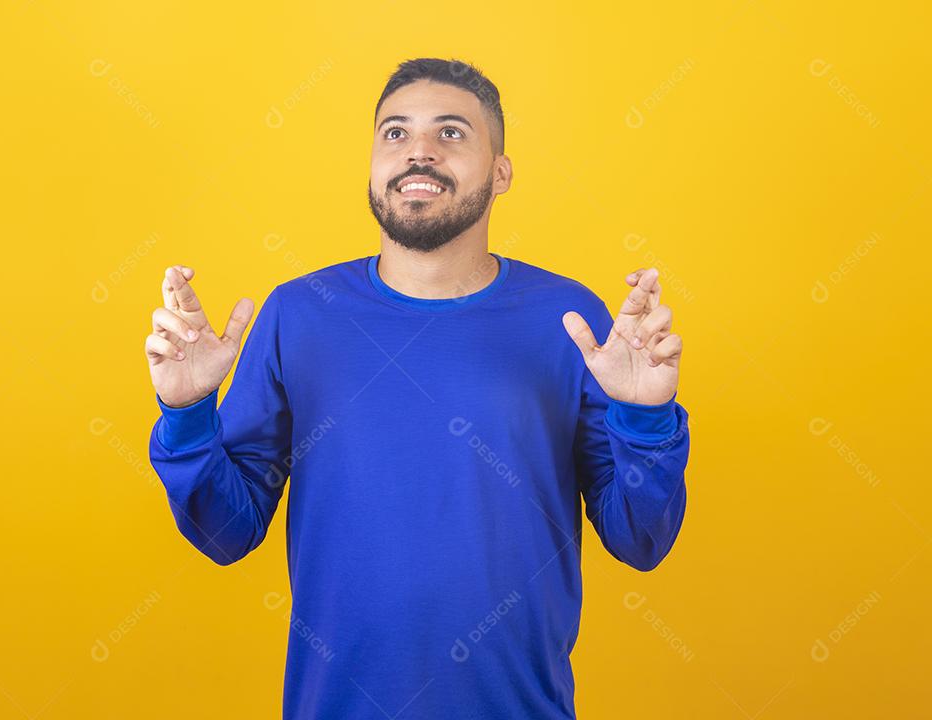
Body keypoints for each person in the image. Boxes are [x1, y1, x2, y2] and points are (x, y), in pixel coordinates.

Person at [145, 57, 689, 720]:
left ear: (501, 172)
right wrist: (187, 413)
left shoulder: (570, 321)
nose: (419, 152)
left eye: (452, 134)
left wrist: (647, 418)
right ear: (373, 163)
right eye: (394, 134)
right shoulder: (299, 312)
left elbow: (642, 540)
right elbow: (225, 533)